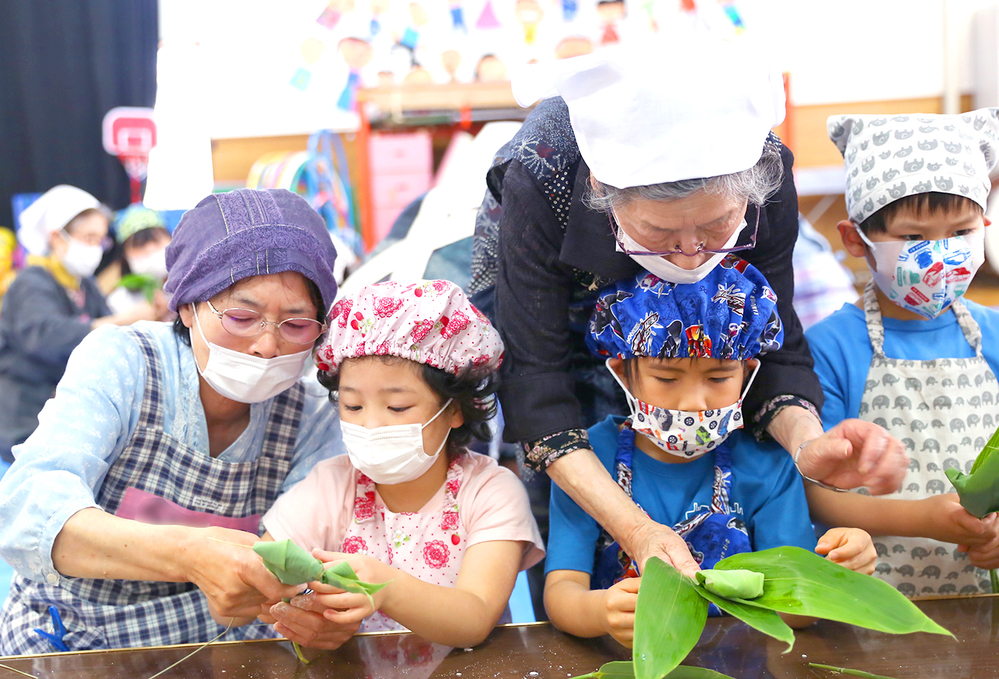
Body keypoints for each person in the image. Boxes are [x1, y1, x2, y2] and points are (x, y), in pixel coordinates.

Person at [469, 38, 906, 582]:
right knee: (570, 510)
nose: (690, 252)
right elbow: (537, 385)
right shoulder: (541, 176)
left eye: (716, 225)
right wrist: (636, 530)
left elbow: (775, 341)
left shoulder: (764, 171)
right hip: (560, 298)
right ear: (604, 190)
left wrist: (808, 443)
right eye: (659, 230)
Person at [0, 188, 346, 653]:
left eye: (296, 325)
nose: (267, 345)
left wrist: (314, 613)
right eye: (243, 317)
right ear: (187, 305)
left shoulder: (313, 419)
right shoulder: (126, 362)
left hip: (221, 645)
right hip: (73, 636)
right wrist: (188, 554)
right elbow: (29, 512)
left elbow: (297, 565)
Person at [544, 262, 876, 647]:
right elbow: (561, 593)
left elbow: (793, 614)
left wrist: (834, 574)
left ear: (747, 371)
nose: (693, 402)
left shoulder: (767, 464)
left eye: (719, 378)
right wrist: (600, 612)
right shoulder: (586, 462)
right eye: (666, 378)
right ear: (622, 370)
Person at [258, 280, 544, 649]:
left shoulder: (490, 491)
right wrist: (287, 601)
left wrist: (384, 587)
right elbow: (265, 567)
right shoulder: (332, 485)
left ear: (455, 408)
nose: (371, 425)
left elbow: (474, 617)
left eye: (397, 408)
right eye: (353, 406)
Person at [806, 109, 999, 597]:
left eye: (961, 233)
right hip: (879, 604)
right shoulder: (832, 347)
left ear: (985, 226)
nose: (942, 254)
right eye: (913, 238)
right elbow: (817, 494)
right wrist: (922, 518)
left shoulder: (994, 332)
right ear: (856, 240)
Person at [0, 185, 160, 463]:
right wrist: (122, 319)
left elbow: (112, 337)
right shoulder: (31, 282)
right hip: (23, 420)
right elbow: (48, 337)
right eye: (88, 238)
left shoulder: (84, 285)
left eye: (101, 240)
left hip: (63, 417)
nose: (96, 249)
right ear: (57, 238)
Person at [102, 204, 173, 319]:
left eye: (156, 241)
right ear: (124, 256)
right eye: (139, 245)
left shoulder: (192, 287)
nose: (150, 249)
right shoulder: (119, 302)